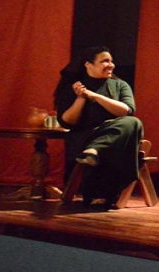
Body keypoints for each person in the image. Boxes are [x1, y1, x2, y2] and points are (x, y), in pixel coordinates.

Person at [53, 46, 144, 208]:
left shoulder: (120, 85)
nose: (111, 65)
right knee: (124, 133)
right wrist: (81, 98)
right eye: (105, 61)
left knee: (133, 122)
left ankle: (95, 149)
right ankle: (94, 153)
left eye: (111, 61)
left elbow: (126, 110)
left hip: (114, 138)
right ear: (88, 64)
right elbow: (67, 122)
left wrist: (95, 96)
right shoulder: (73, 88)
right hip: (84, 138)